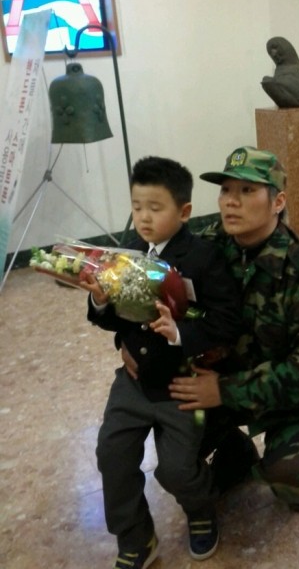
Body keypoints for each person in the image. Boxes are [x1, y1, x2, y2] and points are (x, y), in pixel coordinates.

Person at [166, 145, 299, 513]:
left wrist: (224, 390)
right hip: (226, 375)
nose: (230, 201)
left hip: (296, 398)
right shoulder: (205, 248)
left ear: (277, 202)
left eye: (247, 190)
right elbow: (162, 292)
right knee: (175, 442)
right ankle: (236, 452)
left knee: (292, 477)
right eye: (225, 190)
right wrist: (128, 337)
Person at [82, 156, 242, 569]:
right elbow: (117, 319)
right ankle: (136, 538)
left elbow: (227, 320)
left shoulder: (203, 257)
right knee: (112, 455)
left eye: (155, 208)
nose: (144, 218)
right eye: (137, 207)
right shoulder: (128, 252)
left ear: (184, 211)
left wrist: (180, 333)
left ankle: (201, 509)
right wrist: (100, 300)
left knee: (176, 469)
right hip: (134, 381)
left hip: (182, 384)